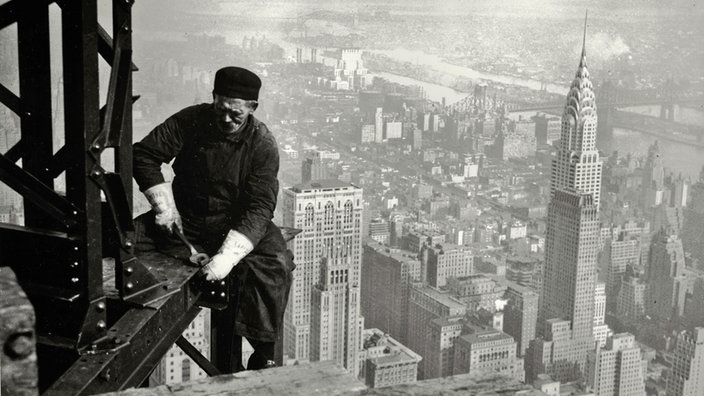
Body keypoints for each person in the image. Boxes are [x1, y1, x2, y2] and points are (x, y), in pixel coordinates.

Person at [132, 66, 293, 372]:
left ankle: (264, 350)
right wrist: (165, 208)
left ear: (252, 108)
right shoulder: (190, 119)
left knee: (277, 263)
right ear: (213, 99)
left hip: (235, 224)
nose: (226, 119)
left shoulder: (262, 143)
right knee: (125, 240)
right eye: (221, 109)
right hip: (187, 218)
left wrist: (228, 258)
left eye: (235, 114)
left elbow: (259, 206)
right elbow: (144, 154)